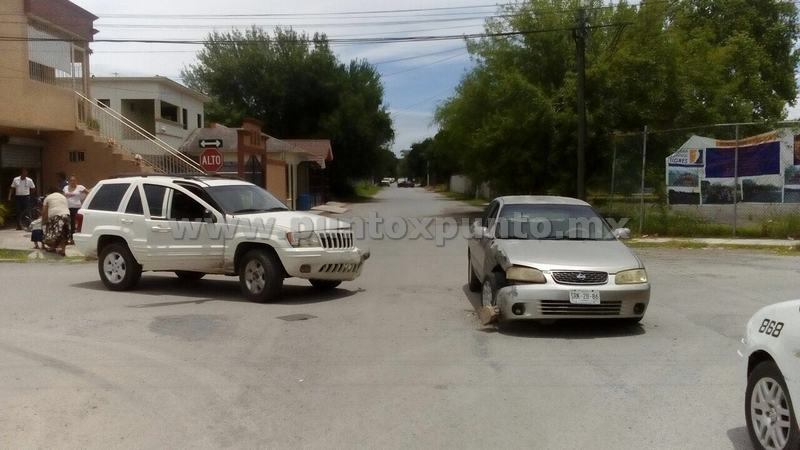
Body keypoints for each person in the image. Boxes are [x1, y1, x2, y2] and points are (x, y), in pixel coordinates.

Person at [41, 187, 70, 256]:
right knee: (64, 232)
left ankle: (52, 247)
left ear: (49, 192)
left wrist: (43, 221)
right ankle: (63, 250)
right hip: (66, 215)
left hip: (55, 216)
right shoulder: (63, 197)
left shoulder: (48, 197)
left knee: (52, 233)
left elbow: (44, 210)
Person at [63, 175, 89, 244]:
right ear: (69, 181)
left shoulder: (80, 187)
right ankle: (68, 238)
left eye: (74, 180)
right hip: (67, 207)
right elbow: (63, 196)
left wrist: (84, 200)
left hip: (76, 207)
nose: (72, 182)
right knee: (68, 222)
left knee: (74, 223)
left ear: (76, 181)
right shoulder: (65, 187)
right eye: (71, 180)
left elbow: (88, 192)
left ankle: (74, 238)